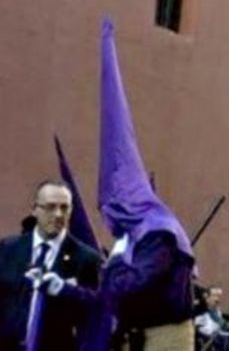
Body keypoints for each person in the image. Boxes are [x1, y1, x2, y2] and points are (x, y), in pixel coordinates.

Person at [83, 18, 197, 350]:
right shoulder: (142, 232)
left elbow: (133, 284)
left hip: (164, 338)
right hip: (139, 336)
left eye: (111, 206)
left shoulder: (157, 233)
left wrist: (115, 263)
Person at [0, 180, 102, 350]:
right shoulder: (7, 249)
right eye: (50, 207)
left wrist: (67, 291)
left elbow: (95, 310)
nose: (58, 214)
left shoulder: (86, 258)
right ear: (34, 209)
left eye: (65, 208)